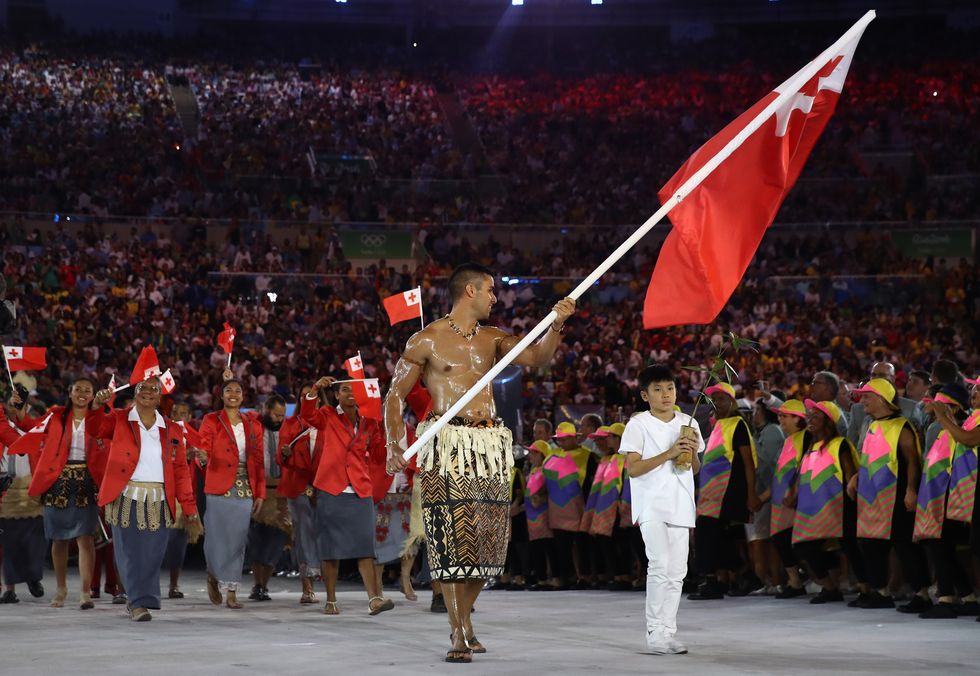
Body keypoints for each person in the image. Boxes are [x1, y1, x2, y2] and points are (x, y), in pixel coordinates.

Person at [385, 262, 575, 663]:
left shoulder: (493, 339)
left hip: (488, 447)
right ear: (469, 291)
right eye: (490, 290)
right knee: (452, 542)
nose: (495, 297)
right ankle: (457, 630)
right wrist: (393, 443)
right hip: (447, 444)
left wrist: (556, 324)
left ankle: (465, 618)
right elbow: (394, 396)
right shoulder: (426, 340)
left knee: (486, 546)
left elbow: (538, 358)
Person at [92, 377, 202, 622]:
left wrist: (190, 507)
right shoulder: (120, 418)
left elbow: (181, 471)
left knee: (153, 554)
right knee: (129, 552)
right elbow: (95, 429)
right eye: (143, 388)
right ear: (135, 392)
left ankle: (142, 598)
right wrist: (97, 407)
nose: (149, 392)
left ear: (160, 398)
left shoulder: (172, 428)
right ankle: (137, 602)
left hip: (159, 499)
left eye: (155, 389)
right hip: (126, 495)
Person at [620, 364, 702, 655]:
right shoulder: (638, 425)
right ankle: (655, 632)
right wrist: (669, 452)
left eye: (669, 388)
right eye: (657, 389)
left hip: (681, 504)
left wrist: (689, 451)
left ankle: (668, 631)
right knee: (660, 564)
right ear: (645, 395)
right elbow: (634, 469)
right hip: (651, 504)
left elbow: (694, 468)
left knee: (678, 571)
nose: (665, 394)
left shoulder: (687, 423)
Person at [13, 378, 108, 609]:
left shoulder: (102, 417)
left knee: (85, 538)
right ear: (70, 392)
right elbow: (28, 427)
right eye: (79, 389)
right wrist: (20, 408)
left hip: (87, 480)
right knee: (58, 538)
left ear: (94, 394)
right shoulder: (55, 415)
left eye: (88, 390)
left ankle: (85, 592)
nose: (83, 393)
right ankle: (61, 588)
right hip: (58, 480)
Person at [302, 377, 392, 617]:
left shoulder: (369, 422)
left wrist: (383, 425)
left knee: (366, 548)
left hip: (360, 491)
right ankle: (330, 600)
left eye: (355, 390)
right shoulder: (328, 415)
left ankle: (374, 599)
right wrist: (314, 390)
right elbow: (308, 416)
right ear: (337, 395)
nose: (350, 393)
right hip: (332, 489)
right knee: (331, 549)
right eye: (344, 389)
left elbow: (377, 452)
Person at [849, 378, 929, 611]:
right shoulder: (873, 424)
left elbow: (913, 459)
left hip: (896, 495)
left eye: (866, 396)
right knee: (871, 543)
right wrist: (856, 477)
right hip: (872, 497)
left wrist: (911, 490)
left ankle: (921, 594)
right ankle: (880, 592)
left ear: (882, 399)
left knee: (904, 545)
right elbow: (868, 458)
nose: (862, 400)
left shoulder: (901, 425)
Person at [197, 375, 266, 609]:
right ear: (221, 395)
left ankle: (232, 591)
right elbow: (203, 445)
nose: (233, 394)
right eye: (229, 391)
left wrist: (260, 493)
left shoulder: (253, 423)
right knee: (216, 539)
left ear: (243, 396)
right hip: (218, 485)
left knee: (238, 540)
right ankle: (213, 575)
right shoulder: (211, 420)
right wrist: (202, 457)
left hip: (244, 486)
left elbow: (258, 460)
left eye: (237, 390)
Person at [689, 382, 760, 600]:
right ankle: (728, 577)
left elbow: (748, 462)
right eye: (714, 399)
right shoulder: (716, 427)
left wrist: (751, 493)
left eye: (721, 398)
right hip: (712, 492)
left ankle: (715, 579)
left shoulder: (737, 423)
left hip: (729, 490)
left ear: (731, 401)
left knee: (707, 531)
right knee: (721, 537)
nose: (717, 403)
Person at [914, 384, 979, 618]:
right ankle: (966, 596)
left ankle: (947, 598)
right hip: (940, 497)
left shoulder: (955, 429)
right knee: (940, 545)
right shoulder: (940, 429)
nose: (929, 406)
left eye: (936, 403)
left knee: (938, 543)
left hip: (950, 498)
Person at [792, 400, 860, 603]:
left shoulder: (840, 444)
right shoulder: (811, 446)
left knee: (850, 548)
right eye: (809, 416)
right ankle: (830, 587)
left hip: (839, 506)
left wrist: (852, 493)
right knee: (805, 547)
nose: (809, 420)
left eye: (815, 416)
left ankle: (866, 589)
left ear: (828, 421)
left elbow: (850, 474)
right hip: (813, 511)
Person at [0, 395, 45, 603]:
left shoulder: (33, 430)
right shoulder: (2, 429)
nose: (13, 408)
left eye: (18, 405)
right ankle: (9, 589)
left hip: (29, 488)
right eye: (10, 404)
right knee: (7, 542)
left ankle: (32, 577)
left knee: (32, 540)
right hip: (4, 489)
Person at [542, 421, 598, 589]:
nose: (562, 443)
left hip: (580, 505)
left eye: (565, 439)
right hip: (557, 507)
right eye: (559, 439)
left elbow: (593, 482)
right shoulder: (552, 456)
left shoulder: (588, 456)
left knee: (582, 543)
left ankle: (585, 576)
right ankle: (567, 577)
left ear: (575, 438)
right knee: (561, 544)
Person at [277, 384, 320, 604]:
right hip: (298, 487)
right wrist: (286, 454)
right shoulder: (291, 423)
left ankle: (329, 584)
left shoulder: (327, 422)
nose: (307, 398)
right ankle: (307, 585)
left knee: (322, 535)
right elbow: (280, 456)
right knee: (304, 536)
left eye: (311, 395)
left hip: (325, 487)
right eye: (303, 396)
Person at [246, 394, 289, 602]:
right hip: (256, 490)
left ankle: (264, 585)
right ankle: (257, 584)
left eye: (282, 415)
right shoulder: (252, 426)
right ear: (265, 409)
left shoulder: (288, 431)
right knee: (256, 541)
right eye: (276, 414)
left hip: (280, 492)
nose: (279, 419)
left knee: (275, 542)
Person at [768, 400, 810, 599]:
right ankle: (795, 581)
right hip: (780, 502)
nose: (780, 419)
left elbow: (804, 465)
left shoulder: (806, 437)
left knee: (797, 541)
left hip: (796, 501)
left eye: (785, 416)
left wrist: (794, 492)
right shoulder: (788, 440)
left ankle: (812, 580)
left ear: (798, 418)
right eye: (780, 416)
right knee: (780, 539)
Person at [164, 400, 202, 600]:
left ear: (189, 417)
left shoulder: (196, 437)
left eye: (183, 413)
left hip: (186, 496)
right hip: (164, 493)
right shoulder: (163, 433)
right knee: (158, 542)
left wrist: (197, 457)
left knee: (178, 544)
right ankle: (149, 583)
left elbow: (206, 461)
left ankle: (173, 585)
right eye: (175, 413)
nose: (178, 416)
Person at [747, 398, 785, 594]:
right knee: (761, 539)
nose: (754, 415)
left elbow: (767, 466)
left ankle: (771, 580)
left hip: (767, 494)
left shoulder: (772, 431)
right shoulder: (760, 433)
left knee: (763, 539)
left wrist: (760, 495)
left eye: (757, 411)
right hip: (762, 493)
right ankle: (768, 581)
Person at [847, 363, 921, 449]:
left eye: (881, 375)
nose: (876, 378)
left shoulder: (911, 408)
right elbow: (852, 445)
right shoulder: (858, 410)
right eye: (873, 375)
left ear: (893, 379)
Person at [525, 440, 558, 591]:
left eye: (534, 452)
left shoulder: (546, 470)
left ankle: (553, 577)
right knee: (537, 547)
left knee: (548, 547)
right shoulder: (533, 471)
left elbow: (552, 490)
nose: (530, 455)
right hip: (532, 517)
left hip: (544, 515)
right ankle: (542, 578)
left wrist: (541, 498)